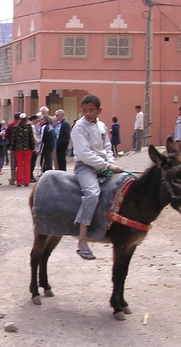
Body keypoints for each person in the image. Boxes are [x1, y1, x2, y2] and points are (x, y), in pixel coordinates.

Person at [72, 94, 122, 260]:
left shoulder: (101, 126)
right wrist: (107, 165)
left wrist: (112, 163)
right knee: (92, 193)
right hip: (85, 167)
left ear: (99, 110)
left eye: (91, 110)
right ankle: (82, 240)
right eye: (85, 110)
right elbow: (85, 154)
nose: (88, 113)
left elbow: (107, 148)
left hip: (102, 166)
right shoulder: (79, 128)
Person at [10, 113, 35, 187]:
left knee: (19, 165)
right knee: (27, 165)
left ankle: (19, 181)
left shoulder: (15, 127)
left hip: (18, 149)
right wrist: (32, 147)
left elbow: (13, 139)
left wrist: (12, 148)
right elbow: (31, 138)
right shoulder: (29, 127)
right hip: (27, 149)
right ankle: (26, 181)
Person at [4, 112, 21, 185]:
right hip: (21, 147)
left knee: (13, 163)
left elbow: (7, 136)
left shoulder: (11, 125)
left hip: (13, 146)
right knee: (21, 162)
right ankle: (20, 178)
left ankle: (13, 178)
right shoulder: (24, 125)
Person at [29, 114, 41, 181]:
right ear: (33, 120)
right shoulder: (32, 126)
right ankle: (30, 175)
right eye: (36, 119)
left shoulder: (36, 126)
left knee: (33, 161)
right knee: (32, 161)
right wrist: (39, 141)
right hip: (34, 147)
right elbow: (34, 136)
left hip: (35, 146)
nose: (38, 121)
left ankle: (31, 175)